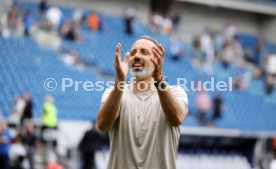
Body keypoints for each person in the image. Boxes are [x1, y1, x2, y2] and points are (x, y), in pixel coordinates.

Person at [97, 36, 188, 169]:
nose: (137, 56)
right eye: (133, 53)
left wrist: (159, 79)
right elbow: (103, 125)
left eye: (144, 52)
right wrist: (120, 82)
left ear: (157, 59)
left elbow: (177, 118)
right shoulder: (114, 93)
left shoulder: (176, 92)